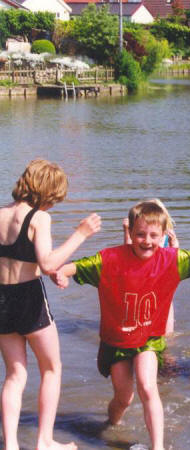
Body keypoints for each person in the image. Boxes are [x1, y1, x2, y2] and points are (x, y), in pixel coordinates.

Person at [52, 201, 190, 450]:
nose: (146, 241)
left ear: (163, 236)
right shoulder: (111, 259)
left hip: (148, 339)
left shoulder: (172, 259)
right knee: (124, 398)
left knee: (148, 387)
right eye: (140, 234)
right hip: (116, 342)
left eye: (153, 235)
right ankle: (111, 424)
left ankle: (157, 446)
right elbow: (78, 265)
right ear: (131, 233)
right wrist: (62, 272)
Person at [0, 159, 101, 450]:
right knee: (51, 368)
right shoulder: (39, 218)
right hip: (29, 300)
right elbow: (45, 263)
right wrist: (81, 233)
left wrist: (54, 269)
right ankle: (44, 441)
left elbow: (20, 259)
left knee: (15, 374)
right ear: (48, 192)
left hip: (2, 299)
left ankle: (11, 446)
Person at [123, 199, 179, 336]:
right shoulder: (144, 234)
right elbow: (127, 251)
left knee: (166, 303)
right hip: (144, 277)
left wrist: (174, 243)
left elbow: (176, 257)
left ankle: (167, 333)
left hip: (161, 278)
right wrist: (126, 231)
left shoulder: (166, 234)